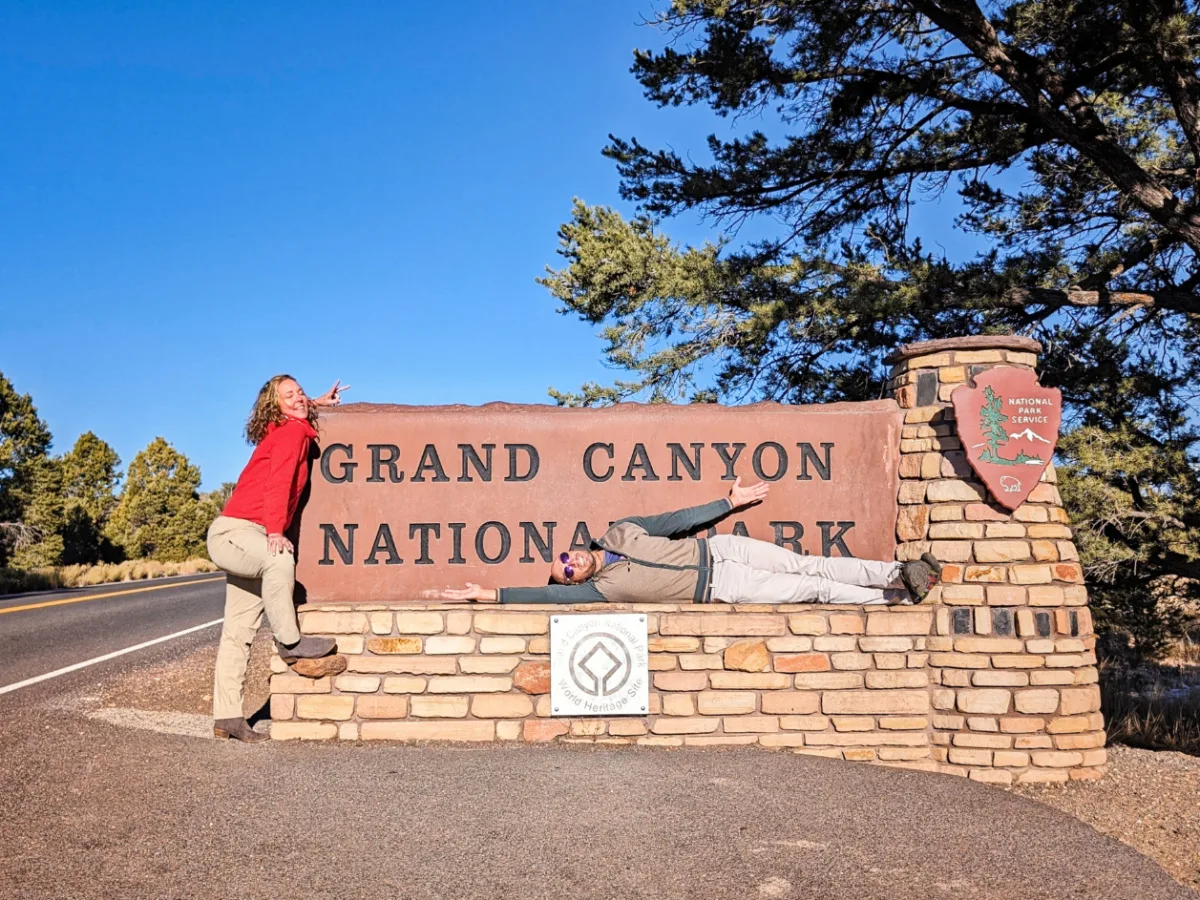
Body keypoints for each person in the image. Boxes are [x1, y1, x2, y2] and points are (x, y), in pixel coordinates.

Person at [441, 478, 941, 607]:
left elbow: (676, 520)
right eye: (566, 574)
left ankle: (900, 574)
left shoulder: (620, 529)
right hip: (724, 586)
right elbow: (543, 596)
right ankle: (892, 598)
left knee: (816, 566)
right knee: (816, 591)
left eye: (564, 560)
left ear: (572, 547)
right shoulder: (601, 591)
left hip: (723, 550)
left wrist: (728, 503)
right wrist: (488, 595)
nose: (569, 568)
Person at [207, 374, 349, 743]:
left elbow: (294, 410)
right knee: (281, 560)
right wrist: (274, 532)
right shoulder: (289, 435)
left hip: (243, 533)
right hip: (238, 532)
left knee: (237, 631)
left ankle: (227, 718)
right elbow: (278, 484)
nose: (298, 398)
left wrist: (315, 401)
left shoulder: (287, 427)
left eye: (300, 392)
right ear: (276, 406)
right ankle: (290, 642)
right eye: (290, 396)